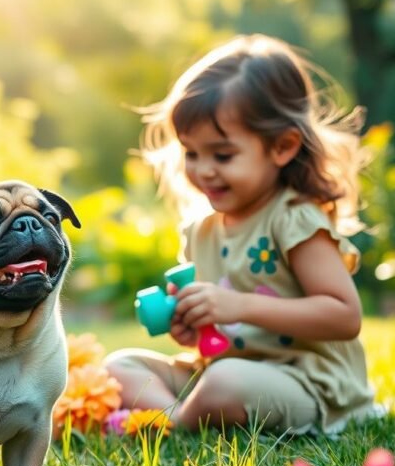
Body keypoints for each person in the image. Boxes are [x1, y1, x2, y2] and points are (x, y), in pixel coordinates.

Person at [105, 34, 379, 435]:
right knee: (118, 367)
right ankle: (179, 417)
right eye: (191, 153)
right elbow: (220, 331)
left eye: (222, 155)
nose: (203, 170)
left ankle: (172, 423)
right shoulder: (203, 231)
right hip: (226, 371)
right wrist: (192, 327)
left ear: (282, 147)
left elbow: (344, 316)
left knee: (225, 383)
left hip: (305, 382)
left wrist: (237, 306)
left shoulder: (294, 221)